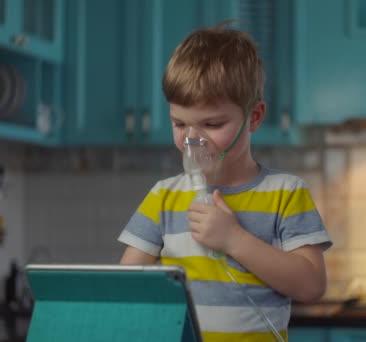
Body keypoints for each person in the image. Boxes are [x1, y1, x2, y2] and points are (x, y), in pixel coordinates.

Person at [118, 22, 331, 342]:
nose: (192, 139)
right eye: (179, 123)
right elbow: (123, 290)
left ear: (254, 117)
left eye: (212, 124)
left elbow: (312, 285)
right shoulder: (163, 197)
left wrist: (234, 240)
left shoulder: (285, 193)